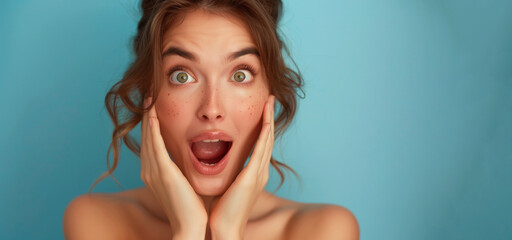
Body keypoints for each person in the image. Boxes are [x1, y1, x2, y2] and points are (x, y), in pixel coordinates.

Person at [63, 0, 359, 239]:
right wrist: (188, 231)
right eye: (182, 76)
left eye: (240, 75)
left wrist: (227, 232)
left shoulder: (324, 230)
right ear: (148, 93)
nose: (211, 108)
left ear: (270, 93)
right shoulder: (95, 222)